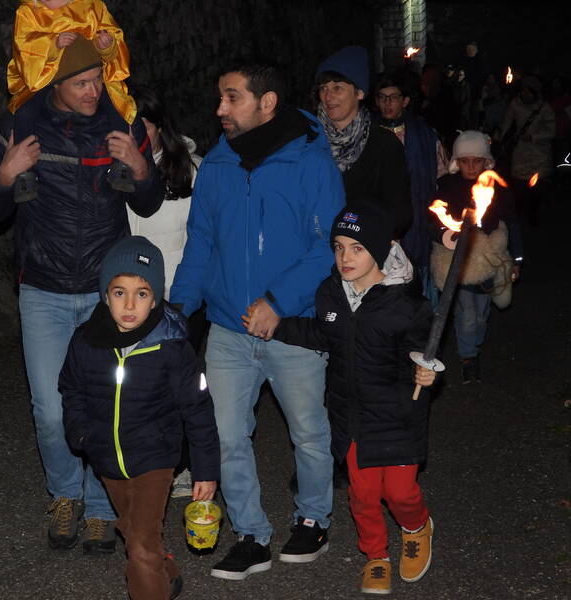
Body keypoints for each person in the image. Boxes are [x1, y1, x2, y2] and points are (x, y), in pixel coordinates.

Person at [0, 39, 163, 555]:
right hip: (44, 289)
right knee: (50, 408)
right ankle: (65, 494)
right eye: (81, 83)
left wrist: (141, 166)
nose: (92, 91)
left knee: (105, 403)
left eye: (97, 80)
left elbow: (149, 201)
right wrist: (4, 176)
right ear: (54, 84)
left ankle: (102, 508)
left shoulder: (122, 122)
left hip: (107, 294)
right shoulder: (20, 124)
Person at [171, 59, 343, 580]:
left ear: (267, 103)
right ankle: (250, 534)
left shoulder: (311, 160)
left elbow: (328, 247)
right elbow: (201, 242)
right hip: (227, 327)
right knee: (224, 435)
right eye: (220, 98)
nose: (220, 109)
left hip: (292, 326)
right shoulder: (218, 164)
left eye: (232, 98)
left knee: (308, 432)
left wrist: (278, 301)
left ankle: (313, 519)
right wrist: (178, 310)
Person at [273, 203, 437, 595]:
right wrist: (278, 327)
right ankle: (376, 555)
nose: (345, 257)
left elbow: (419, 352)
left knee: (399, 493)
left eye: (357, 248)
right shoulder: (331, 293)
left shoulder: (408, 305)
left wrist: (425, 371)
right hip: (351, 416)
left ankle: (417, 527)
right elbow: (322, 334)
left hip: (397, 416)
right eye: (339, 247)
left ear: (379, 250)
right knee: (362, 495)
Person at [60, 235, 219, 600]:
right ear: (105, 294)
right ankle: (167, 574)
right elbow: (71, 388)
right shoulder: (86, 341)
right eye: (120, 293)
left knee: (141, 545)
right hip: (107, 458)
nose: (130, 304)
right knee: (134, 531)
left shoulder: (172, 346)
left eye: (142, 293)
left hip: (155, 458)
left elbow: (198, 409)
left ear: (156, 297)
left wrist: (206, 469)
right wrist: (81, 433)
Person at [128, 85, 204, 498]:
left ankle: (186, 463)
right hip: (129, 299)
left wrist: (189, 294)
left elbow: (203, 237)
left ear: (159, 126)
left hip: (180, 295)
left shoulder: (192, 170)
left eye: (142, 125)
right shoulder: (111, 169)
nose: (135, 134)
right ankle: (144, 463)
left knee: (180, 384)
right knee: (136, 384)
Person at [7, 0, 136, 201]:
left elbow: (111, 36)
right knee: (24, 113)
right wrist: (52, 44)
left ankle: (121, 165)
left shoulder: (91, 5)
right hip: (45, 78)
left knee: (117, 107)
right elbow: (24, 48)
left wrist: (106, 46)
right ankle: (25, 175)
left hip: (90, 72)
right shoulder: (28, 13)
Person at [430, 131, 523, 384]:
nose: (471, 167)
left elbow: (511, 221)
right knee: (467, 313)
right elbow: (432, 221)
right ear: (456, 162)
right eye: (464, 161)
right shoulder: (446, 186)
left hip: (487, 259)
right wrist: (445, 235)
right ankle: (468, 358)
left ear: (486, 161)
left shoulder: (496, 187)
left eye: (477, 161)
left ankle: (474, 345)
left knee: (481, 313)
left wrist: (517, 259)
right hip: (457, 260)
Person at [315, 46, 413, 238]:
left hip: (363, 246)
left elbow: (400, 213)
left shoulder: (383, 144)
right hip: (316, 246)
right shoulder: (309, 141)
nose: (328, 96)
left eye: (337, 88)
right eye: (323, 88)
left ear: (359, 93)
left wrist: (361, 235)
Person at [375, 70, 449, 307]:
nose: (387, 103)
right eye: (382, 97)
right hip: (381, 217)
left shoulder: (424, 135)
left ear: (405, 101)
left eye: (393, 97)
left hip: (417, 216)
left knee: (418, 281)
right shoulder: (367, 134)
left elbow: (441, 174)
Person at [497, 76, 556, 225]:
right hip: (521, 151)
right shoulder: (515, 104)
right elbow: (507, 123)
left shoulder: (544, 108)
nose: (524, 94)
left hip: (539, 153)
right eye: (522, 91)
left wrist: (534, 137)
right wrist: (502, 138)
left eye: (528, 91)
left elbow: (551, 130)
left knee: (536, 186)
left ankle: (532, 215)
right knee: (519, 185)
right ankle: (518, 213)